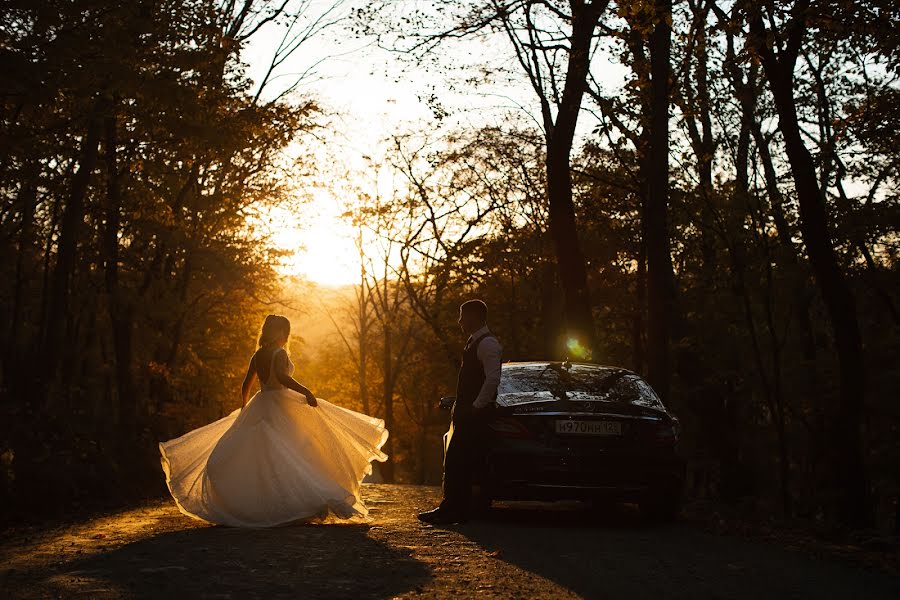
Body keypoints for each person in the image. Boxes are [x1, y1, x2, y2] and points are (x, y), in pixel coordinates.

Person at [159, 314, 389, 527]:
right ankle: (298, 502)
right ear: (280, 333)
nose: (286, 336)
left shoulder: (257, 355)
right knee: (296, 450)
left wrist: (245, 406)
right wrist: (306, 391)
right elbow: (281, 378)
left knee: (269, 454)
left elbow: (246, 383)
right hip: (280, 404)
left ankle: (269, 504)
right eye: (285, 332)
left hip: (262, 402)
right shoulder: (279, 353)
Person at [418, 299, 502, 524]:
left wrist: (476, 405)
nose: (460, 321)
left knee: (460, 461)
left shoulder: (487, 344)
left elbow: (493, 378)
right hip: (466, 411)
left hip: (474, 414)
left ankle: (453, 509)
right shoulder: (474, 342)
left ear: (474, 316)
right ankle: (455, 508)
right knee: (457, 461)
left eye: (463, 316)